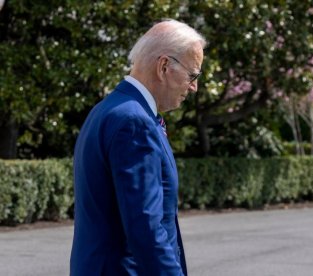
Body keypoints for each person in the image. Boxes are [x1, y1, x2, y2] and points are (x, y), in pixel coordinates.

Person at [70, 19, 206, 276]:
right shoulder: (134, 122)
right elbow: (146, 229)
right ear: (164, 66)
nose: (194, 87)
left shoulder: (108, 109)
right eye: (193, 75)